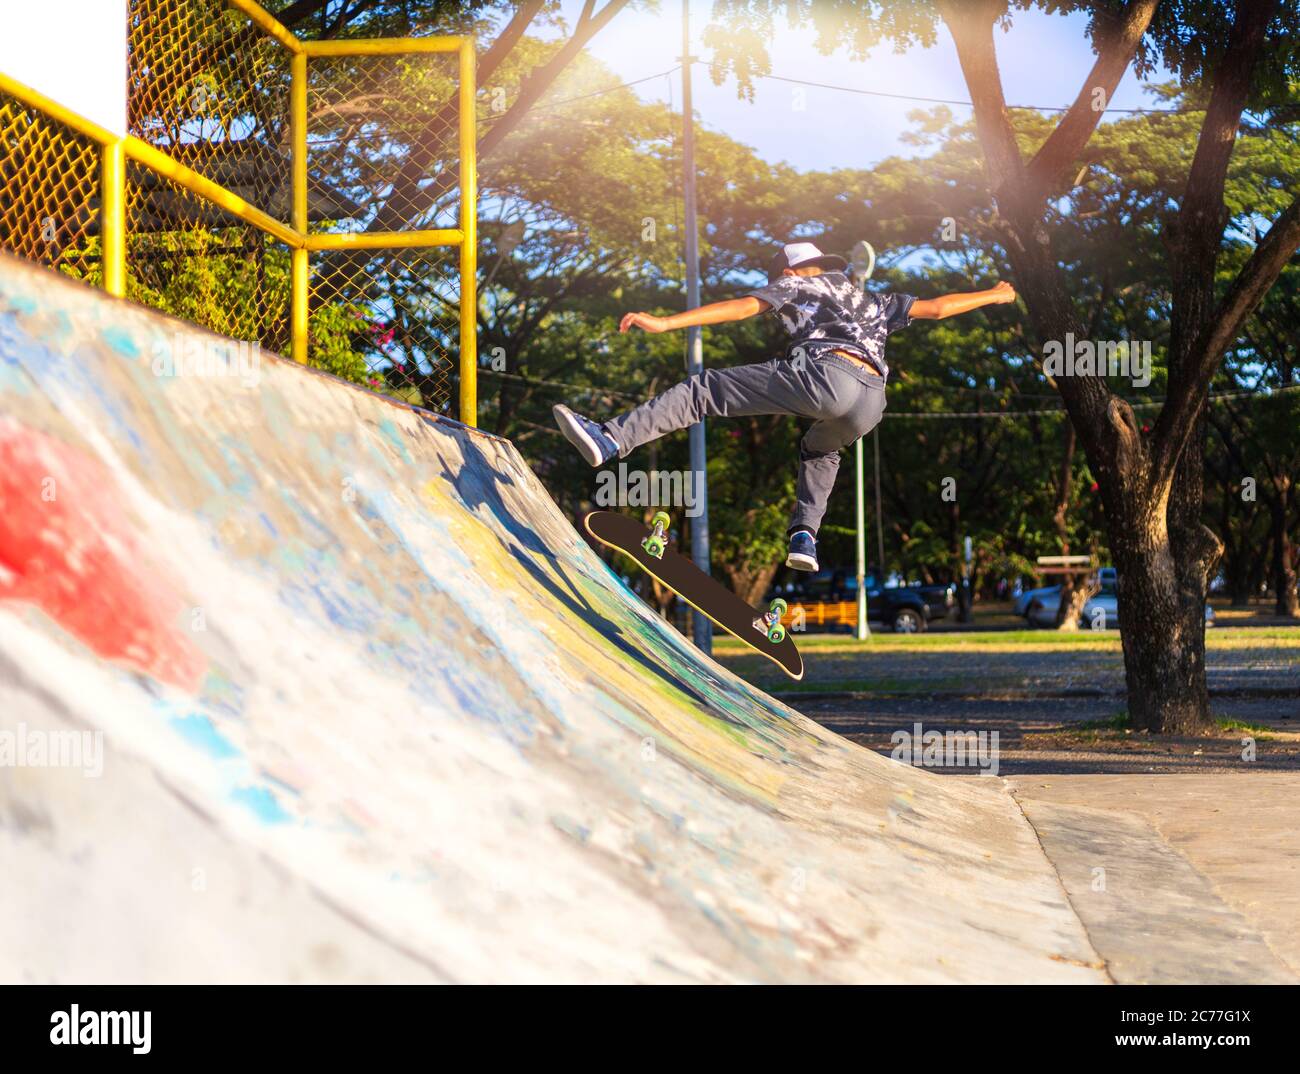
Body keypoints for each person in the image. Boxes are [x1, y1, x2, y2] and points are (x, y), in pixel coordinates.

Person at [554, 241, 1016, 571]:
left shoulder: (796, 286)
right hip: (872, 401)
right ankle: (805, 538)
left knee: (704, 389)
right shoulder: (872, 298)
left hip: (826, 375)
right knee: (821, 449)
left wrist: (667, 322)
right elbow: (937, 308)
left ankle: (610, 437)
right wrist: (997, 295)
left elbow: (743, 306)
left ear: (791, 272)